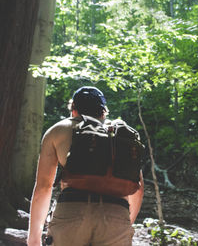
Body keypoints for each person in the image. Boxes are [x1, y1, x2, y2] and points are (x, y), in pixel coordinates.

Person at [27, 86, 144, 246]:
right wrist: (124, 222)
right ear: (103, 112)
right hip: (116, 213)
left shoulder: (58, 130)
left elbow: (44, 188)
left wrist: (33, 237)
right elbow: (138, 190)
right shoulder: (120, 136)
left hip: (71, 213)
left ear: (73, 109)